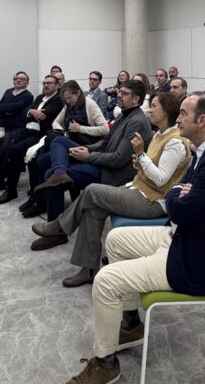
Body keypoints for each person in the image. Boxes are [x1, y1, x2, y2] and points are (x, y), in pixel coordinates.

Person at [65, 94, 205, 384]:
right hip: (182, 236)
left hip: (193, 260)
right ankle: (131, 323)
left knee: (106, 280)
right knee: (115, 240)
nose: (178, 119)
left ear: (202, 121)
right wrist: (179, 193)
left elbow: (177, 202)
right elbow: (179, 194)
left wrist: (177, 194)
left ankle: (106, 363)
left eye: (184, 114)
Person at [30, 92, 186, 287]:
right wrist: (140, 161)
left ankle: (60, 226)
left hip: (153, 201)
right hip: (138, 189)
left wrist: (141, 155)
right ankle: (88, 268)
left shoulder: (174, 142)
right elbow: (149, 169)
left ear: (167, 111)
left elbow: (162, 180)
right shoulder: (159, 134)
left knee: (93, 190)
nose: (150, 109)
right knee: (93, 208)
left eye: (154, 106)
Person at [31, 79, 153, 223]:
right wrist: (87, 149)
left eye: (124, 93)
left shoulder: (136, 121)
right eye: (120, 91)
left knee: (50, 172)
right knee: (57, 142)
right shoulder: (123, 115)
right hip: (100, 158)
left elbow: (118, 159)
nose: (119, 95)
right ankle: (59, 176)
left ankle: (55, 227)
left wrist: (88, 156)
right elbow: (105, 141)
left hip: (112, 174)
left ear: (136, 99)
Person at [12, 80, 109, 212]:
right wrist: (63, 131)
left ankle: (42, 202)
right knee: (39, 160)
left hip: (84, 146)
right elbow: (56, 122)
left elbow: (105, 129)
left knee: (47, 164)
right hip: (68, 143)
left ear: (78, 93)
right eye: (65, 99)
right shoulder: (67, 105)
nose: (67, 101)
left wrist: (80, 128)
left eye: (70, 98)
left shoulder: (90, 105)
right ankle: (38, 198)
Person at [0, 75, 62, 201]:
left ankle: (11, 190)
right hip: (26, 130)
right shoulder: (40, 97)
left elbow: (45, 115)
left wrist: (31, 112)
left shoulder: (57, 99)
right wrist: (32, 112)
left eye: (50, 83)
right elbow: (25, 112)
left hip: (39, 134)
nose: (46, 85)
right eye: (44, 83)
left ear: (57, 85)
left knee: (15, 150)